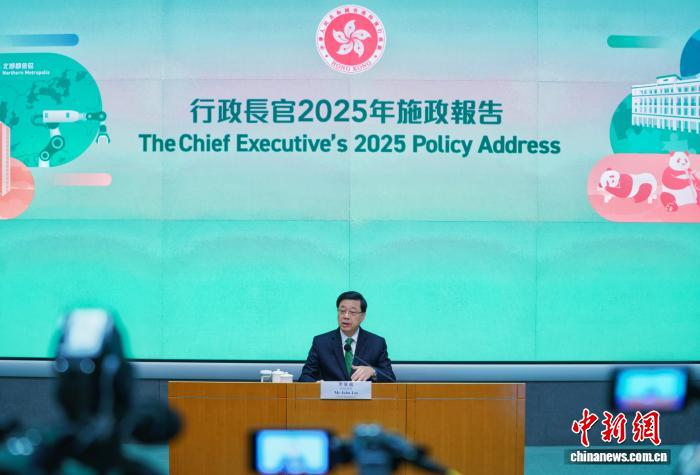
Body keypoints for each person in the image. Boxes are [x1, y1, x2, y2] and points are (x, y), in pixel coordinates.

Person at [299, 291, 395, 382]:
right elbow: (305, 377)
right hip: (331, 394)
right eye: (342, 311)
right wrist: (317, 384)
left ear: (363, 316)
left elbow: (390, 377)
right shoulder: (321, 342)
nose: (346, 316)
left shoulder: (376, 343)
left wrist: (373, 371)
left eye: (352, 312)